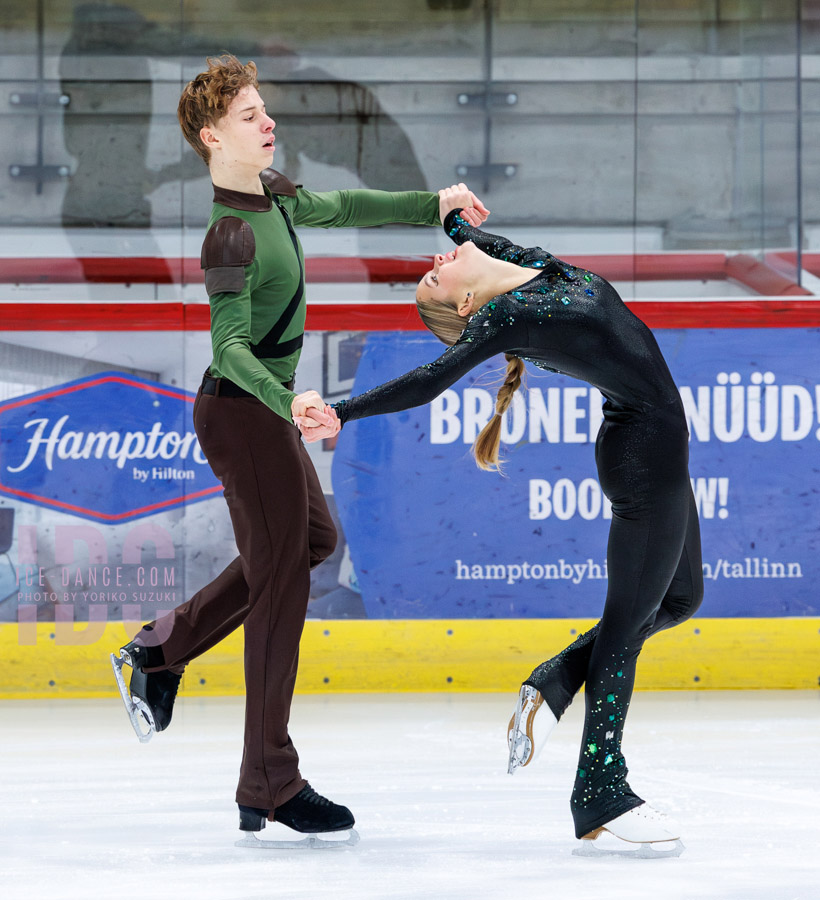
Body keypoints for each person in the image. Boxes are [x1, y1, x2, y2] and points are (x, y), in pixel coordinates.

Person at [110, 56, 489, 848]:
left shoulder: (276, 194)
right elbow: (230, 344)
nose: (267, 121)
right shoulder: (228, 231)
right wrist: (290, 400)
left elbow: (342, 200)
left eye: (264, 108)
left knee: (314, 542)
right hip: (244, 414)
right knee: (284, 576)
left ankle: (162, 650)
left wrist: (435, 202)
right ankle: (270, 782)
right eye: (250, 115)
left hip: (264, 414)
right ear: (214, 136)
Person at [300, 185, 704, 857]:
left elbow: (464, 231)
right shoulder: (508, 313)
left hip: (656, 450)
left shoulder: (520, 265)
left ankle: (552, 682)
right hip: (643, 459)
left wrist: (448, 208)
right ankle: (601, 793)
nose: (437, 257)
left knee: (684, 599)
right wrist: (343, 411)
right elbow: (430, 380)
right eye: (435, 273)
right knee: (629, 628)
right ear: (466, 304)